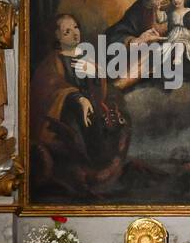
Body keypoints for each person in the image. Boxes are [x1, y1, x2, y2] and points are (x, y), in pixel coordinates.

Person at [29, 14, 137, 198]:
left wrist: (95, 73)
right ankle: (90, 169)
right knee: (81, 113)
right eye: (67, 31)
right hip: (65, 115)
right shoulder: (52, 62)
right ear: (58, 37)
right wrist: (78, 98)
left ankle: (106, 169)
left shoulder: (85, 58)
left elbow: (100, 91)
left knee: (119, 117)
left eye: (76, 28)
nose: (74, 33)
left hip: (93, 111)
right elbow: (51, 88)